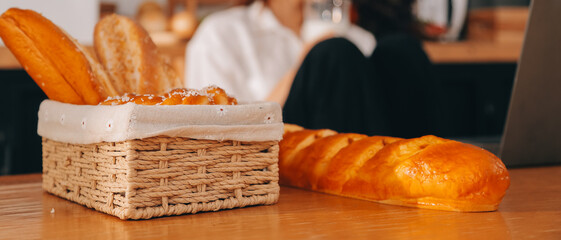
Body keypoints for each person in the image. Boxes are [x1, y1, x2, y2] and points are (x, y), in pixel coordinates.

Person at [282, 0, 439, 138]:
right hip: (283, 139)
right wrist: (308, 56)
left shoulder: (357, 35)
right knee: (333, 53)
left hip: (366, 131)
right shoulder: (259, 34)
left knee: (401, 50)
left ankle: (424, 163)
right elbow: (259, 118)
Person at [185, 0, 375, 103]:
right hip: (269, 164)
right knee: (332, 52)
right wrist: (311, 59)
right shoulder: (222, 34)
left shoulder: (360, 39)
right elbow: (217, 134)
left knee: (398, 49)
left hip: (355, 153)